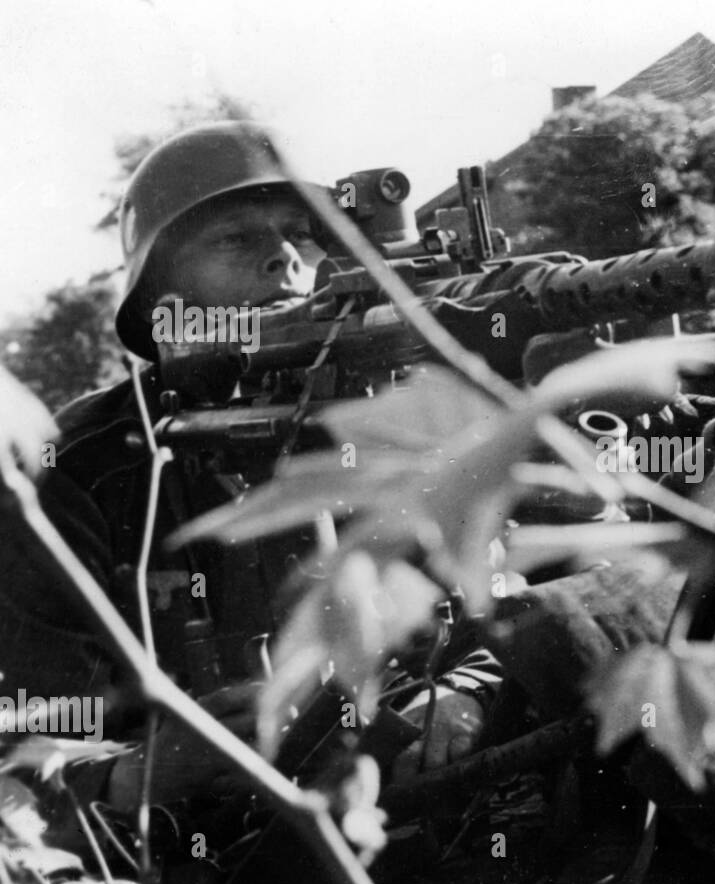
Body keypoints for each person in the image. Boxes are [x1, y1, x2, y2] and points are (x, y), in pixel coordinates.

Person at [0, 121, 495, 814]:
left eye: (300, 233)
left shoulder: (383, 424)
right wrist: (143, 771)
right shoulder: (74, 469)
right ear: (158, 295)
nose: (285, 259)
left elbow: (503, 615)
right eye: (238, 238)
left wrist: (470, 695)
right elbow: (26, 750)